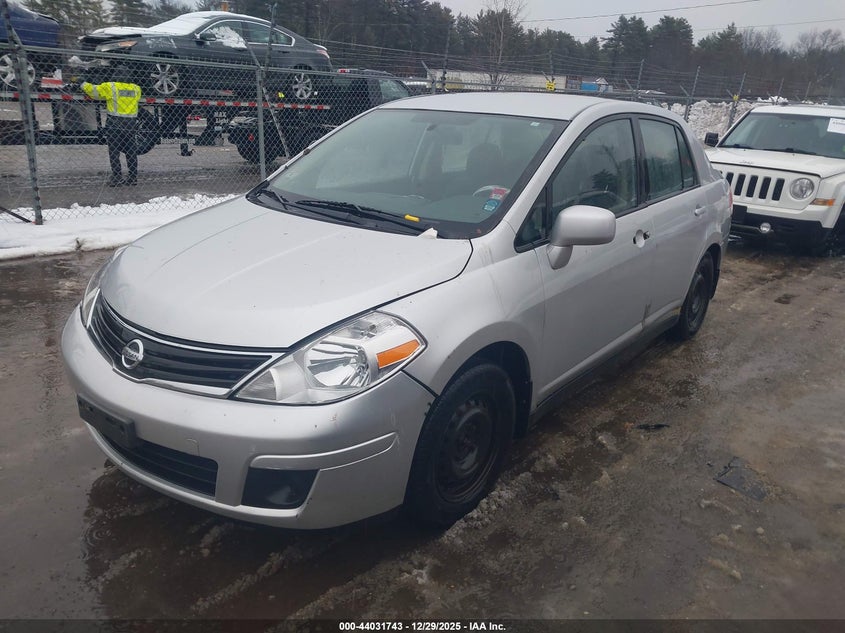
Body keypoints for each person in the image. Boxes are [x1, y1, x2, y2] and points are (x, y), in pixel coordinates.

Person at [77, 66, 142, 186]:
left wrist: (82, 83)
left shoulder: (111, 87)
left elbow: (94, 92)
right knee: (131, 151)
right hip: (131, 124)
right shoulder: (136, 88)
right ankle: (133, 177)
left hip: (115, 123)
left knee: (114, 151)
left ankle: (117, 177)